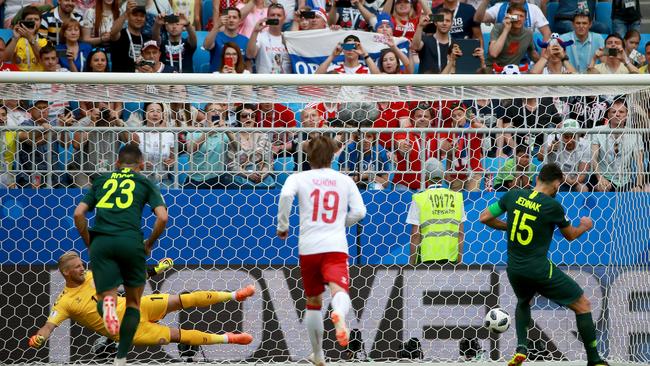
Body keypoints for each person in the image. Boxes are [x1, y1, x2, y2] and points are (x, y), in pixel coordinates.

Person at [479, 162, 610, 366]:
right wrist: (584, 226)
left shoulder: (513, 195)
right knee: (583, 305)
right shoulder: (552, 206)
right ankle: (595, 360)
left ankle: (522, 347)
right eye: (559, 184)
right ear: (557, 182)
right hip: (539, 268)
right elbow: (570, 236)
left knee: (524, 301)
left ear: (538, 178)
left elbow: (484, 217)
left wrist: (509, 226)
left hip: (514, 269)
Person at [28, 252, 254, 352]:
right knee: (178, 335)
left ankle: (235, 295)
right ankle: (231, 339)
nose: (82, 268)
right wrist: (39, 338)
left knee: (182, 299)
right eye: (77, 266)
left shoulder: (91, 276)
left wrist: (156, 269)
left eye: (81, 264)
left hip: (134, 306)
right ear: (66, 273)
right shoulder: (65, 302)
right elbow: (49, 326)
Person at [72, 143, 168, 366]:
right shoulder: (145, 182)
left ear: (116, 163)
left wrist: (90, 242)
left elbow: (78, 214)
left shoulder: (102, 180)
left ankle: (108, 306)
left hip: (101, 243)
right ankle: (121, 357)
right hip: (130, 242)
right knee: (134, 303)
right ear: (141, 165)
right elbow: (162, 217)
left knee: (106, 295)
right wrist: (149, 244)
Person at [276, 135, 367, 366]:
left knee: (313, 301)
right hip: (335, 245)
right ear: (332, 155)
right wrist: (340, 223)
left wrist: (283, 225)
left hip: (309, 247)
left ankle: (317, 354)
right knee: (340, 290)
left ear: (309, 155)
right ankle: (339, 314)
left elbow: (285, 196)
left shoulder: (298, 177)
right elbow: (359, 212)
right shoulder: (344, 180)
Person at [407, 157, 465, 265]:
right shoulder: (457, 197)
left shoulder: (419, 198)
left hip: (426, 258)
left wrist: (412, 261)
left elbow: (415, 234)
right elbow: (460, 233)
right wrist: (460, 261)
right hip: (451, 257)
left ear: (426, 176)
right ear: (443, 176)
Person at [589, 99, 644, 192]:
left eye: (621, 112)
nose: (617, 114)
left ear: (627, 115)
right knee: (602, 188)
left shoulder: (635, 135)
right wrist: (600, 177)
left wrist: (639, 185)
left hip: (624, 180)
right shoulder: (597, 131)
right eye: (614, 111)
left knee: (637, 192)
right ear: (608, 115)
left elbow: (640, 164)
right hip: (602, 176)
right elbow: (594, 159)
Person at [537, 119, 590, 192]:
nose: (569, 141)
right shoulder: (553, 138)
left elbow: (582, 174)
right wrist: (551, 148)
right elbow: (539, 157)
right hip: (555, 178)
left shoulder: (585, 145)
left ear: (578, 136)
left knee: (583, 188)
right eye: (566, 137)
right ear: (561, 135)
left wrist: (571, 182)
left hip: (576, 180)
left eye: (573, 137)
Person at [487, 3, 538, 68]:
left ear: (525, 19)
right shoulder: (498, 28)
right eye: (515, 16)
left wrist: (545, 60)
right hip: (493, 69)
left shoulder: (528, 33)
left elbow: (533, 54)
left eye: (521, 16)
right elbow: (494, 53)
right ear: (508, 16)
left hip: (512, 71)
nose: (519, 19)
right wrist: (506, 29)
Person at [247, 3, 291, 74]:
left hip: (285, 83)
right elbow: (250, 55)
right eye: (272, 15)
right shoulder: (260, 36)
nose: (275, 17)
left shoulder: (288, 39)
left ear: (284, 18)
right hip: (265, 83)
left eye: (279, 15)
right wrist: (255, 31)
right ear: (267, 17)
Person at [474, 0, 551, 40]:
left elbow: (547, 33)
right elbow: (478, 19)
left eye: (521, 16)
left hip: (525, 57)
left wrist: (543, 57)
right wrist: (486, 0)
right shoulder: (499, 7)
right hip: (500, 57)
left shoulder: (534, 9)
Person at [109, 1, 152, 72]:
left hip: (141, 81)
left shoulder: (147, 39)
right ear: (128, 17)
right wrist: (126, 12)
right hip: (121, 81)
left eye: (142, 16)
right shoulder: (121, 35)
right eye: (135, 15)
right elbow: (113, 33)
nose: (138, 18)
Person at [3, 6, 49, 71]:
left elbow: (44, 60)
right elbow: (5, 59)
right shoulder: (15, 39)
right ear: (23, 21)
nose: (33, 22)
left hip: (39, 79)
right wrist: (15, 38)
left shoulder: (46, 41)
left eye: (36, 19)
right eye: (29, 20)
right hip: (18, 79)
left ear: (40, 21)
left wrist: (30, 38)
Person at [204, 7, 249, 72]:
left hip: (238, 80)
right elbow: (206, 46)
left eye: (234, 17)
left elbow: (249, 62)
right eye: (228, 17)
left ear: (239, 21)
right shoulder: (216, 36)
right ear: (223, 20)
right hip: (217, 79)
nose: (231, 20)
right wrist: (217, 26)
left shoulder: (245, 40)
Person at [315, 34, 380, 74]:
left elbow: (379, 81)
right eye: (347, 46)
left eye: (354, 46)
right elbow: (316, 78)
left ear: (359, 49)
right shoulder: (334, 69)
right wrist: (332, 56)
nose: (350, 49)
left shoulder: (368, 71)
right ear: (343, 49)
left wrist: (365, 55)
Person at [412, 9, 452, 74]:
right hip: (426, 83)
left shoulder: (455, 44)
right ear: (435, 22)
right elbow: (415, 47)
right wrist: (420, 26)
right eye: (441, 20)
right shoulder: (425, 40)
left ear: (451, 23)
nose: (444, 23)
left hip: (449, 83)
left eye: (447, 21)